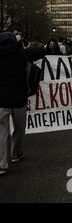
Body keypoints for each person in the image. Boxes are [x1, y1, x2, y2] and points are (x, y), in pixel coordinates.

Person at [0, 32, 29, 175]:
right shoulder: (21, 56)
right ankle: (15, 153)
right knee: (19, 129)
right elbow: (28, 73)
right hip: (19, 99)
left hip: (1, 100)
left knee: (1, 132)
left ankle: (2, 164)